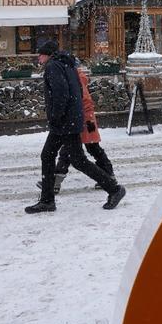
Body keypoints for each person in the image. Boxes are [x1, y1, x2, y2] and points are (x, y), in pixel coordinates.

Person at [25, 40, 125, 214]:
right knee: (59, 157)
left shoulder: (53, 67)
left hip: (64, 122)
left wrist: (56, 116)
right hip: (71, 119)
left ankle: (114, 189)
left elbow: (61, 93)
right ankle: (48, 200)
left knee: (70, 159)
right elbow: (76, 90)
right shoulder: (67, 64)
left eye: (40, 54)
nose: (38, 58)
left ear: (47, 54)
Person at [76, 60, 116, 185]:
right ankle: (108, 173)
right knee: (91, 147)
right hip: (84, 118)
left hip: (85, 119)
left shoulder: (76, 78)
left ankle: (108, 174)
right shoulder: (78, 77)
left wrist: (84, 116)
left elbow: (85, 100)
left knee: (91, 147)